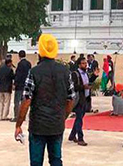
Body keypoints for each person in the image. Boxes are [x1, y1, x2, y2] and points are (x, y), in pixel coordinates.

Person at [15, 34, 75, 166]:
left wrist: (18, 124)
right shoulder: (65, 71)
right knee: (56, 160)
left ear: (40, 52)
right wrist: (62, 116)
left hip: (38, 126)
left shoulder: (34, 72)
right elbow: (71, 98)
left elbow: (26, 100)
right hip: (57, 125)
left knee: (36, 162)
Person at [69, 57, 99, 146]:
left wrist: (94, 75)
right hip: (79, 99)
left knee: (79, 118)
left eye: (86, 63)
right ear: (79, 65)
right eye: (83, 63)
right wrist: (83, 87)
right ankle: (80, 138)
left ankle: (72, 135)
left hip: (85, 99)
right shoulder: (75, 74)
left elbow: (89, 82)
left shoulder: (85, 73)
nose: (85, 65)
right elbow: (74, 86)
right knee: (79, 119)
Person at [13, 50, 32, 121]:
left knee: (17, 101)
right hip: (26, 85)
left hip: (20, 85)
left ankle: (17, 116)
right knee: (24, 101)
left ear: (19, 56)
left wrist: (15, 83)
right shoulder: (28, 63)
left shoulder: (20, 64)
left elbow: (18, 75)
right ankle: (23, 116)